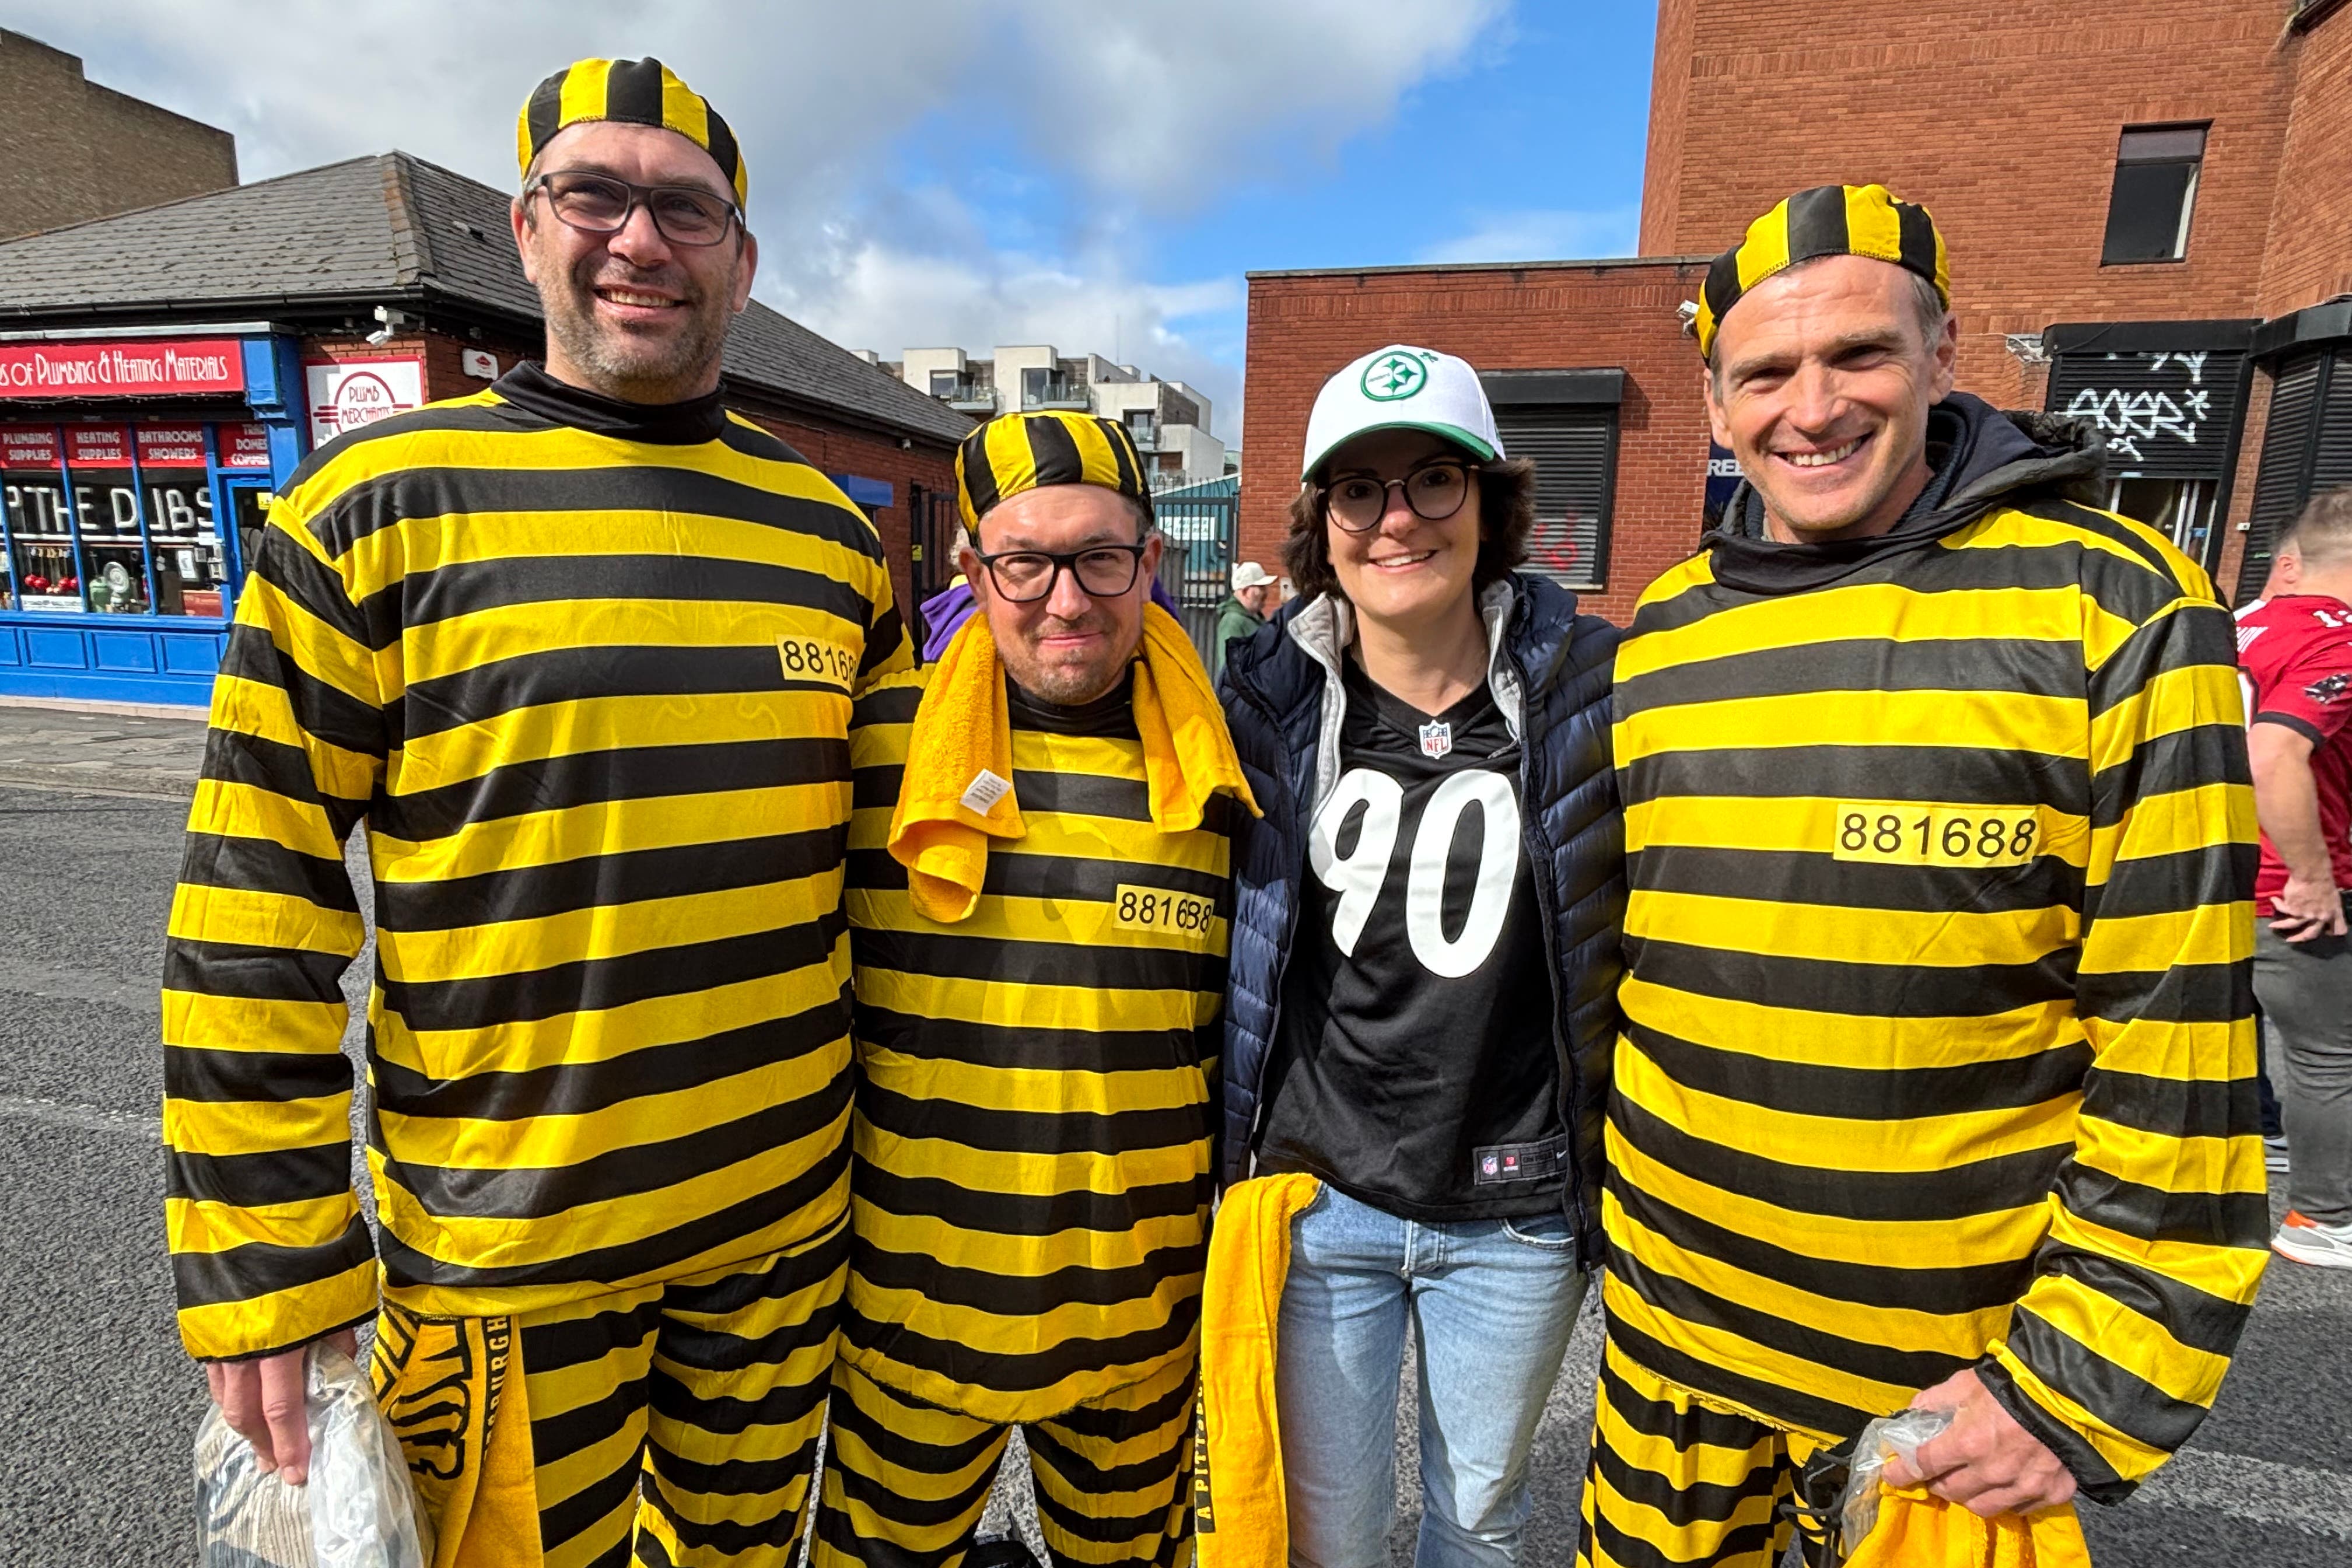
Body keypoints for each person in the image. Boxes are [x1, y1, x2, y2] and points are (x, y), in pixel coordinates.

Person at [162, 57, 911, 1564]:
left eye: (685, 209)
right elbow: (255, 903)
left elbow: (893, 899)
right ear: (526, 228)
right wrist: (267, 1256)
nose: (639, 238)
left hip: (776, 1254)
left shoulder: (837, 542)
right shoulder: (372, 507)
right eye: (596, 195)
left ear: (744, 260)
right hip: (506, 1271)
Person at [1589, 184, 2268, 1567]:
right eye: (1766, 372)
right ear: (1715, 406)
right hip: (1672, 1357)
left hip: (1940, 1401)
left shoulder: (2118, 605)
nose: (1814, 407)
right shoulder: (1663, 631)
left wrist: (2073, 1384)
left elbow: (2181, 1039)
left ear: (1944, 355)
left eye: (1860, 356)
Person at [812, 411, 1255, 1566]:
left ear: (1151, 563)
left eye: (1102, 556)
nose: (1067, 598)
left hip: (1136, 1330)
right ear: (971, 569)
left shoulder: (1224, 770)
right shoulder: (868, 746)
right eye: (1025, 561)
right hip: (911, 1328)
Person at [1217, 344, 1625, 1565]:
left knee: (1477, 1522)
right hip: (1322, 1196)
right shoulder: (1262, 709)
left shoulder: (1595, 689)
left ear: (1492, 505)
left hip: (1513, 1210)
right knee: (1331, 1536)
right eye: (1361, 489)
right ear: (1321, 525)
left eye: (1434, 481)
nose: (1398, 518)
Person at [2236, 487, 2352, 1268]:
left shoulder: (2233, 625)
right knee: (2329, 1055)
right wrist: (2311, 877)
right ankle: (2325, 1218)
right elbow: (2275, 754)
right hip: (2284, 879)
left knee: (2217, 1034)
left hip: (2199, 871)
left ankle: (2243, 1153)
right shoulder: (2338, 640)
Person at [1213, 561, 1278, 678]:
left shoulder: (1254, 619)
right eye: (1261, 587)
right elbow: (1231, 669)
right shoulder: (1233, 622)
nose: (1266, 593)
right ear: (1245, 591)